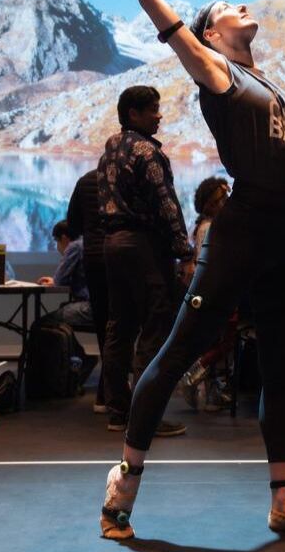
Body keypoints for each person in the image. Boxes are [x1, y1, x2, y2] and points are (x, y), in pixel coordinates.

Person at [100, 0, 285, 543]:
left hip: (283, 235)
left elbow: (270, 135)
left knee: (274, 365)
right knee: (177, 350)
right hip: (242, 231)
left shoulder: (263, 82)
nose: (244, 5)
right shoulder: (214, 70)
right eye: (229, 7)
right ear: (210, 32)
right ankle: (120, 493)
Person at [97, 85, 191, 439]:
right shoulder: (147, 151)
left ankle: (118, 411)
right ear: (133, 114)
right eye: (152, 109)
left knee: (119, 327)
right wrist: (184, 249)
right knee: (155, 325)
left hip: (113, 244)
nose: (159, 115)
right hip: (143, 247)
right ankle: (144, 415)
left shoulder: (110, 147)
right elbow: (166, 204)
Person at [179, 176, 234, 411]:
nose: (227, 202)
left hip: (211, 291)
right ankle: (192, 376)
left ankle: (213, 390)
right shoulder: (211, 228)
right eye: (223, 199)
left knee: (217, 339)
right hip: (218, 291)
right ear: (211, 204)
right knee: (227, 340)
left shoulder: (204, 227)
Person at [66, 170, 110, 412]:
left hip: (94, 259)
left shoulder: (84, 181)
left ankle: (105, 394)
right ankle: (118, 391)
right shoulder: (128, 176)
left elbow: (72, 225)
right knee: (125, 326)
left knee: (104, 327)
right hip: (124, 258)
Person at [36, 220, 94, 328]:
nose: (57, 246)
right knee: (63, 308)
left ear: (63, 238)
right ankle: (72, 345)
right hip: (104, 306)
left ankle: (73, 346)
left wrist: (55, 280)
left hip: (88, 308)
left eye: (56, 241)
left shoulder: (74, 247)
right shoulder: (88, 242)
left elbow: (59, 281)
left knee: (41, 324)